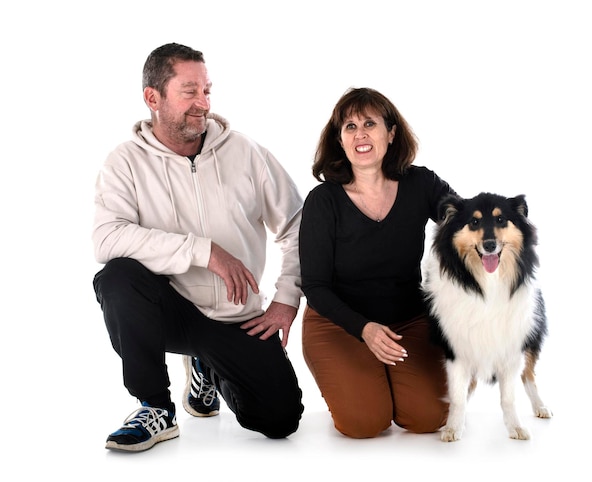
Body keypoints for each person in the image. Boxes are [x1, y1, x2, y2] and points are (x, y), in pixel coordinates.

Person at [92, 43, 304, 452]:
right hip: (171, 311)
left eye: (207, 91)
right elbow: (106, 237)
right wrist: (203, 251)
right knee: (117, 277)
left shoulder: (245, 152)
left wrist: (287, 297)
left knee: (279, 420)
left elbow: (297, 225)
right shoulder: (124, 163)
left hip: (235, 315)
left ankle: (209, 367)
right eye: (189, 92)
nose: (202, 103)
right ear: (153, 98)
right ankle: (155, 407)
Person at [299, 87, 455, 439]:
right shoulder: (324, 201)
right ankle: (359, 382)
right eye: (350, 127)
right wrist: (364, 329)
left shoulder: (421, 183)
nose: (361, 134)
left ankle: (388, 383)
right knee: (364, 424)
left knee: (428, 418)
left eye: (370, 123)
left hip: (406, 320)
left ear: (391, 132)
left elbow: (463, 223)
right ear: (339, 140)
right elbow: (315, 287)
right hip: (338, 323)